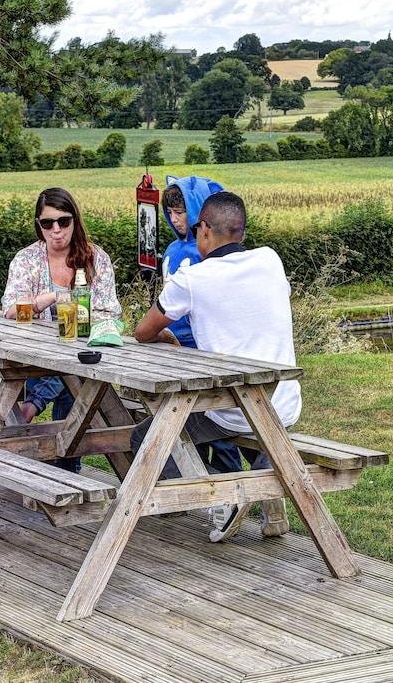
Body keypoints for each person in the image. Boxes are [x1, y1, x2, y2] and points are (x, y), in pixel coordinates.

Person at [133, 191, 299, 542]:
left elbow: (143, 331)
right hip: (284, 403)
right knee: (266, 432)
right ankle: (268, 500)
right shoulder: (271, 260)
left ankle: (223, 496)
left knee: (143, 437)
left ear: (204, 229)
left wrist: (164, 336)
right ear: (241, 231)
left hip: (232, 410)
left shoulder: (192, 279)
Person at [1, 187, 121, 472]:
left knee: (74, 369)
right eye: (47, 223)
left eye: (64, 221)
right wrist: (52, 298)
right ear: (39, 226)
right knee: (70, 376)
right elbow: (11, 312)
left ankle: (33, 408)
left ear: (75, 221)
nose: (56, 230)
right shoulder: (27, 259)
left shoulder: (95, 258)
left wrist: (81, 313)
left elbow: (109, 312)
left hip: (84, 350)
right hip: (34, 356)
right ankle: (66, 465)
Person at [161, 176, 246, 475]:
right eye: (169, 213)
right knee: (186, 428)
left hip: (207, 349)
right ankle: (201, 492)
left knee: (220, 431)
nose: (175, 219)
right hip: (175, 349)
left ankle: (231, 488)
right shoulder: (172, 251)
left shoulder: (213, 255)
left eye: (180, 212)